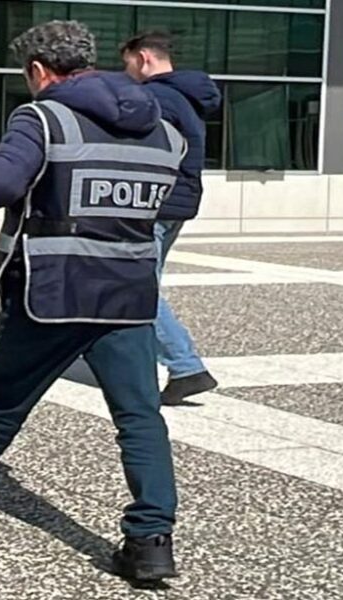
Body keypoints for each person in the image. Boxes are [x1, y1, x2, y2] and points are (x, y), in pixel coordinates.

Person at [0, 20, 186, 584]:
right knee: (139, 416)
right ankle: (151, 539)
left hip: (51, 290)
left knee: (4, 399)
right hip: (128, 292)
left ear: (37, 70)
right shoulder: (165, 130)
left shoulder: (43, 118)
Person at [122, 31, 221, 406]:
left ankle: (185, 366)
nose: (127, 73)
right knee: (145, 283)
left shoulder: (157, 98)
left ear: (143, 58)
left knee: (138, 288)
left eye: (128, 64)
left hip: (153, 205)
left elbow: (141, 152)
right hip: (177, 202)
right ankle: (149, 363)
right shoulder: (185, 96)